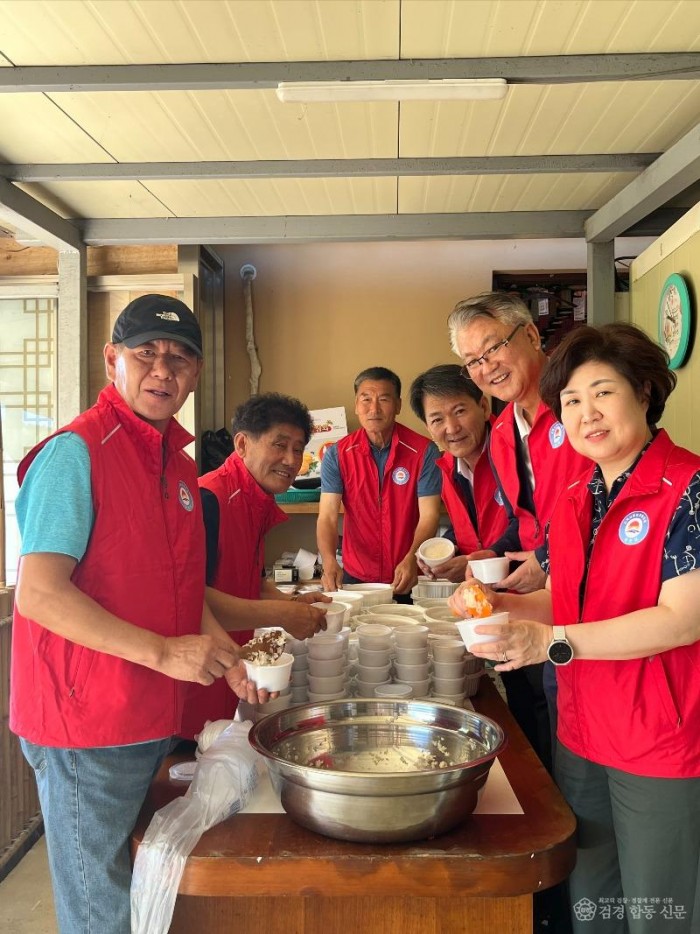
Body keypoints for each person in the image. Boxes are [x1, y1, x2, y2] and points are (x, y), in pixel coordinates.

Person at [12, 294, 268, 934]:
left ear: (197, 374)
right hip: (85, 723)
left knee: (141, 888)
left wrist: (228, 660)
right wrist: (162, 652)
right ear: (112, 361)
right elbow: (40, 592)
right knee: (101, 906)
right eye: (146, 353)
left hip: (148, 712)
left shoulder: (178, 466)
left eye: (180, 358)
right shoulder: (75, 453)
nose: (163, 369)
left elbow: (184, 594)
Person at [451, 324, 700, 934]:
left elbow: (682, 619)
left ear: (644, 391)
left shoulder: (688, 488)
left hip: (658, 740)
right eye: (571, 402)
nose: (586, 414)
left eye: (602, 393)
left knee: (658, 909)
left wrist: (554, 642)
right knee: (592, 899)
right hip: (583, 730)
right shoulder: (575, 497)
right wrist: (495, 609)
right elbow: (566, 602)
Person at [447, 291, 589, 773]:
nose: (486, 367)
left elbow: (600, 502)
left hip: (593, 605)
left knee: (575, 731)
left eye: (493, 348)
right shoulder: (504, 430)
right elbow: (523, 520)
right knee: (536, 714)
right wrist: (491, 555)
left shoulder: (578, 405)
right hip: (542, 602)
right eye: (472, 361)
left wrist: (545, 559)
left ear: (530, 334)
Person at [181, 392, 329, 738]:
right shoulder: (210, 500)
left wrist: (290, 604)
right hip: (194, 684)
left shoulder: (255, 501)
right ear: (243, 444)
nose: (291, 460)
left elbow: (249, 581)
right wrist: (280, 615)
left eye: (298, 448)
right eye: (279, 445)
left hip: (229, 674)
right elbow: (192, 601)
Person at [317, 366, 441, 601]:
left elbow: (429, 516)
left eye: (383, 399)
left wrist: (412, 558)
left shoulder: (424, 451)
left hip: (405, 573)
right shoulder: (338, 454)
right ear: (356, 404)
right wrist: (329, 560)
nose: (374, 409)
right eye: (366, 399)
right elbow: (327, 517)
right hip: (356, 576)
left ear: (398, 405)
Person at [408, 364, 508, 582]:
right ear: (428, 427)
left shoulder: (513, 451)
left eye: (459, 411)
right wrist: (447, 548)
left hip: (531, 594)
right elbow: (469, 525)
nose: (452, 428)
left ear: (483, 407)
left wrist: (478, 561)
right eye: (437, 420)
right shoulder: (446, 467)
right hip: (482, 596)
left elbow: (534, 526)